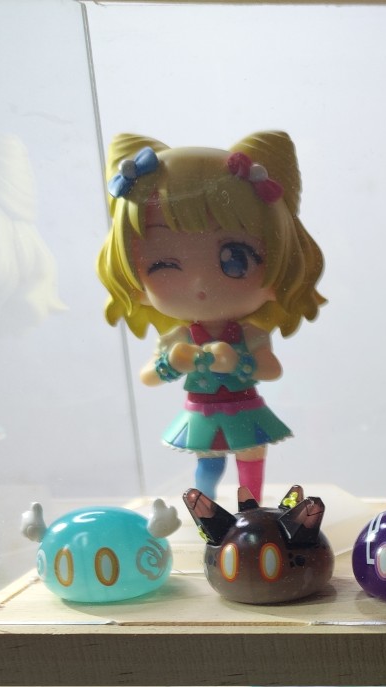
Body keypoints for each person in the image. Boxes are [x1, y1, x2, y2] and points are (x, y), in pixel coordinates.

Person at [97, 133, 326, 503]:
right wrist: (171, 363)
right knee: (208, 466)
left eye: (236, 259)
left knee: (250, 462)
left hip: (246, 407)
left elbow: (271, 369)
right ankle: (204, 511)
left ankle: (251, 512)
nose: (200, 284)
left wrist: (238, 361)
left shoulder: (249, 332)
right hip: (201, 412)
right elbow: (149, 375)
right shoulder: (179, 337)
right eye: (163, 264)